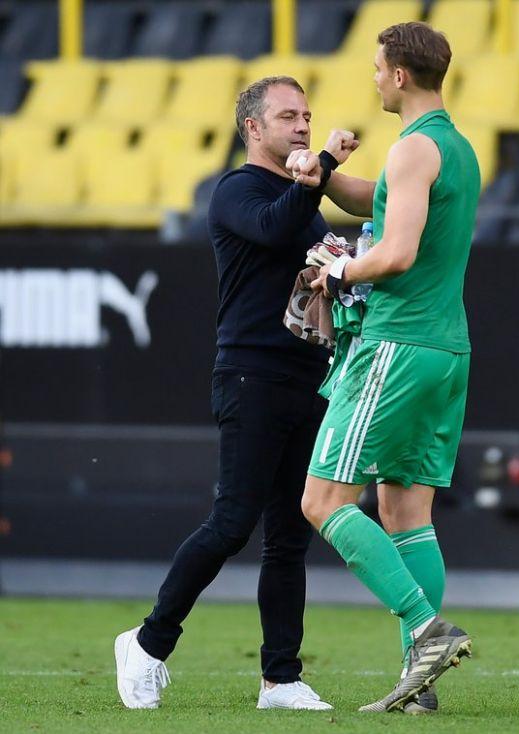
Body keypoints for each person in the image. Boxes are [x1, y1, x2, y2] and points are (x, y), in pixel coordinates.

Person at [114, 76, 356, 711]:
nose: (303, 126)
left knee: (288, 536)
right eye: (288, 117)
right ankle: (146, 643)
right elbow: (276, 231)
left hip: (309, 375)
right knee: (231, 521)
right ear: (254, 128)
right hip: (251, 373)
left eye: (307, 116)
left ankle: (280, 678)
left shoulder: (304, 197)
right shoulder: (237, 189)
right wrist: (324, 166)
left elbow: (316, 253)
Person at [290, 22, 481, 713]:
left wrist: (340, 268)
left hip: (396, 346)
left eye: (377, 68)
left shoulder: (412, 150)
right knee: (406, 509)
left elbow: (394, 252)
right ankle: (421, 685)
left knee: (321, 501)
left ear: (400, 76)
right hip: (446, 351)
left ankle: (425, 629)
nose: (373, 78)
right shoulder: (453, 149)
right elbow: (382, 199)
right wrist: (327, 175)